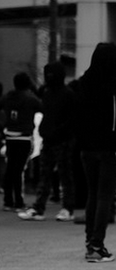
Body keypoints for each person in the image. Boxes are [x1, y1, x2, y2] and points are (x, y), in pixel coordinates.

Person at [75, 43, 116, 262]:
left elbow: (77, 116)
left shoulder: (83, 82)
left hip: (87, 148)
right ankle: (97, 246)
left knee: (92, 194)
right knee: (105, 196)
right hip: (109, 147)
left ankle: (90, 242)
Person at [18, 62, 77, 221]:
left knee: (63, 174)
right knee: (47, 174)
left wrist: (56, 131)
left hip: (62, 139)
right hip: (51, 138)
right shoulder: (49, 92)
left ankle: (67, 207)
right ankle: (40, 207)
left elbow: (71, 119)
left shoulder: (66, 94)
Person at [0, 72, 42, 212]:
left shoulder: (7, 97)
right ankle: (18, 200)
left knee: (10, 168)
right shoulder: (30, 98)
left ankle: (8, 200)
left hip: (10, 135)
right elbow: (42, 107)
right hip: (24, 136)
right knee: (19, 170)